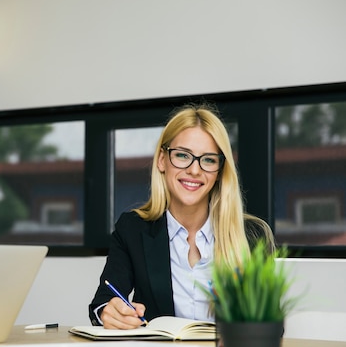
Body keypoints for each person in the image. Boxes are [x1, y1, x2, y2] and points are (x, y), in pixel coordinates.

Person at [89, 104, 275, 329]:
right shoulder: (132, 229)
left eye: (208, 160)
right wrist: (110, 313)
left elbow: (272, 324)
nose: (194, 170)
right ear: (161, 160)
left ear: (219, 171)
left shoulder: (252, 235)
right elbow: (102, 304)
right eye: (182, 155)